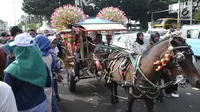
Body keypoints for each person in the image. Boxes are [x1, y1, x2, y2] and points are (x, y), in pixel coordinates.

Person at [4, 33, 51, 112]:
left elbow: (8, 95)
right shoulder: (42, 65)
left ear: (18, 49)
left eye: (15, 47)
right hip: (41, 105)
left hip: (22, 107)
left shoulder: (10, 70)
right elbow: (48, 84)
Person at [34, 35, 59, 112]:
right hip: (49, 80)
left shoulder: (35, 56)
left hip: (37, 82)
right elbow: (55, 68)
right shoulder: (51, 55)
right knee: (50, 98)